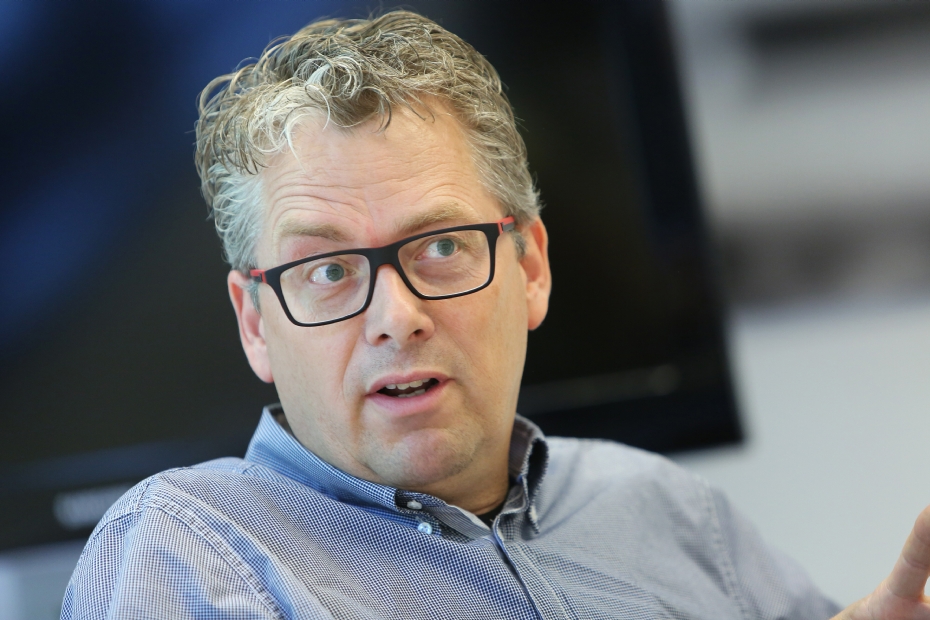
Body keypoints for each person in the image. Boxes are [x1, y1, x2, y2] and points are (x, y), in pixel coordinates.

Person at [62, 11, 929, 620]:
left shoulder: (666, 508)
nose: (396, 317)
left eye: (441, 246)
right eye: (327, 269)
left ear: (532, 268)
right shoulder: (187, 549)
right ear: (255, 322)